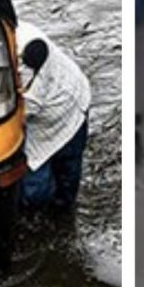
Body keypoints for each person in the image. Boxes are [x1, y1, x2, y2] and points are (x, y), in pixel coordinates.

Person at [16, 22, 92, 211]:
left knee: (68, 177)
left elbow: (29, 104)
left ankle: (63, 212)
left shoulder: (27, 48)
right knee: (34, 193)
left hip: (69, 110)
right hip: (35, 129)